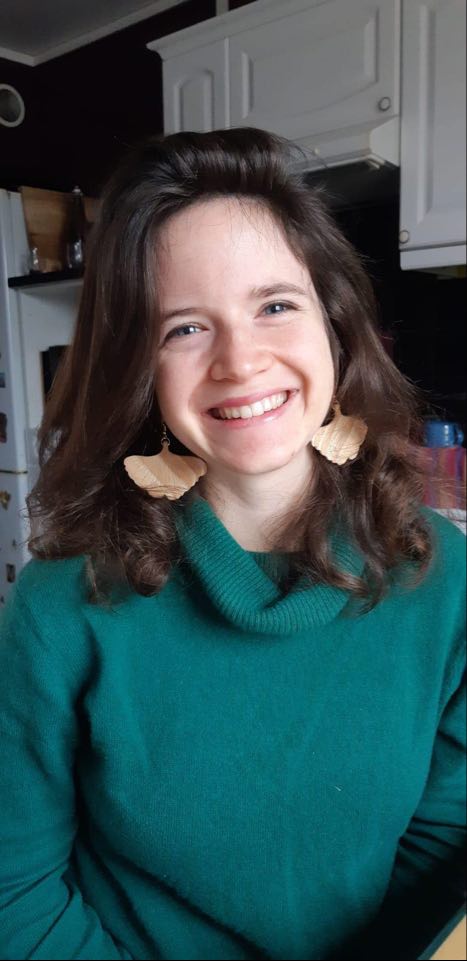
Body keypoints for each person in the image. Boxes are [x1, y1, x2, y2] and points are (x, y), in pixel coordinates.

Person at [0, 128, 465, 961]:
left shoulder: (442, 571)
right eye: (184, 327)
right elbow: (15, 895)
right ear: (137, 364)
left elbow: (444, 840)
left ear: (335, 324)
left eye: (274, 305)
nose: (240, 361)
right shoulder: (61, 603)